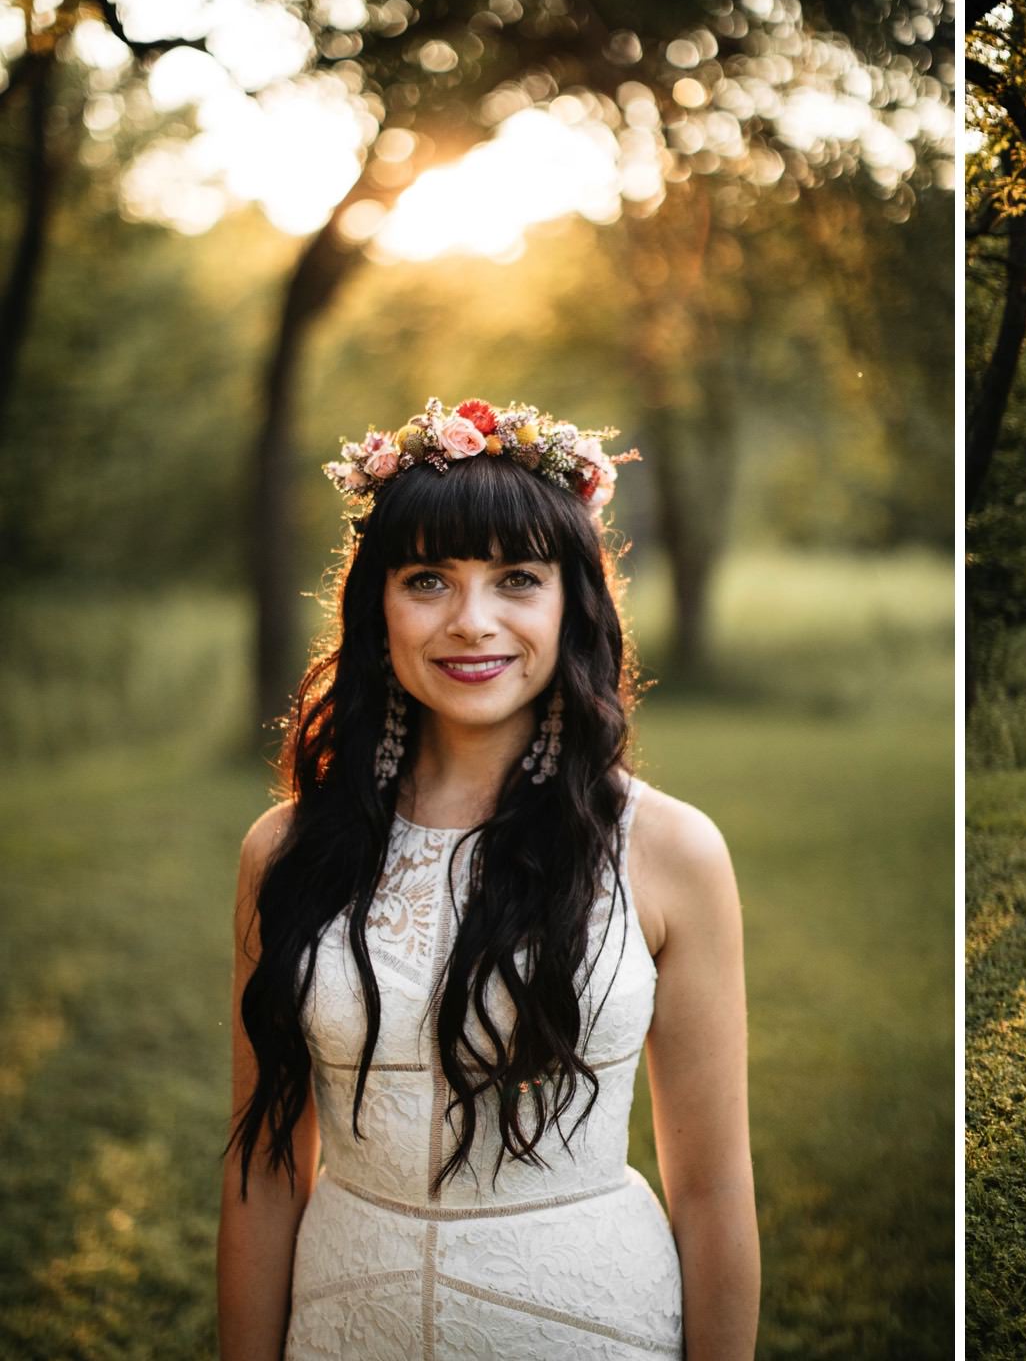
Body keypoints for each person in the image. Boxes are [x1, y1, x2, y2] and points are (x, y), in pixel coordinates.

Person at [216, 398, 759, 1358]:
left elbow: (713, 1193)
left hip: (587, 1321)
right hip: (346, 1323)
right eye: (428, 578)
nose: (473, 623)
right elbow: (260, 1172)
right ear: (376, 605)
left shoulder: (671, 851)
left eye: (517, 579)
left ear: (571, 602)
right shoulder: (284, 851)